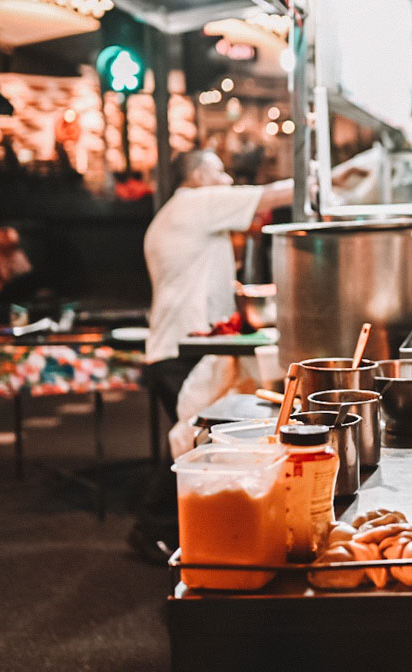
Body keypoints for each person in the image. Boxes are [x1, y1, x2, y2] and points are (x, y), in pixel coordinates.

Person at [127, 149, 293, 563]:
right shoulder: (195, 203)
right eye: (220, 172)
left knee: (195, 436)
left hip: (181, 345)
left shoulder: (182, 212)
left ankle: (184, 527)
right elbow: (274, 194)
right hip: (181, 349)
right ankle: (152, 529)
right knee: (193, 437)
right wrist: (334, 174)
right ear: (199, 174)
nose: (227, 182)